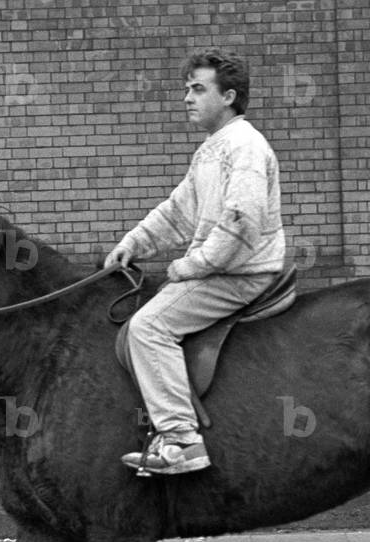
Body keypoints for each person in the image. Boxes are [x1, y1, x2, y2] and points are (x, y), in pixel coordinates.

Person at [105, 49, 286, 475]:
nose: (187, 97)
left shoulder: (243, 146)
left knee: (148, 327)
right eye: (187, 89)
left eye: (198, 89)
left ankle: (181, 441)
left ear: (229, 97)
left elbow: (242, 223)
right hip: (220, 268)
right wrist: (133, 243)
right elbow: (177, 211)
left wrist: (193, 266)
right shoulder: (212, 149)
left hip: (237, 274)